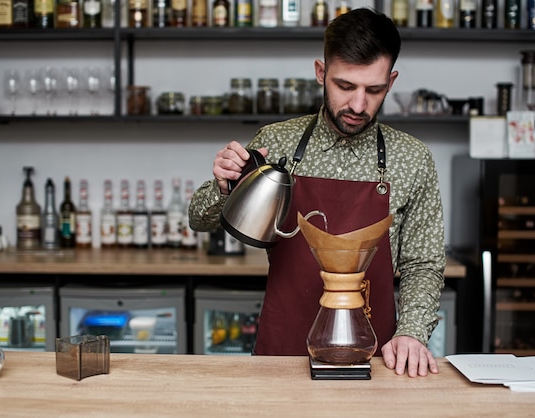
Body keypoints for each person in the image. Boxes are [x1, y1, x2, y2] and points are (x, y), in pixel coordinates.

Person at [189, 8, 446, 378]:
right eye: (345, 86)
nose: (358, 105)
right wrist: (223, 184)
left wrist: (412, 332)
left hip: (373, 358)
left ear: (390, 83)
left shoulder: (413, 159)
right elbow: (199, 219)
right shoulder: (276, 142)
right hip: (281, 358)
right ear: (321, 73)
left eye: (373, 90)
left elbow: (422, 264)